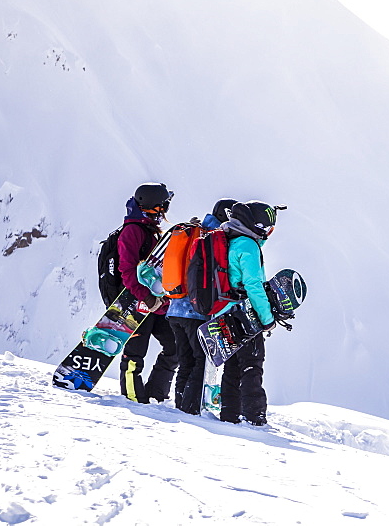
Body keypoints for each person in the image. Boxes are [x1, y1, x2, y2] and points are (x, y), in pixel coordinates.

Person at [166, 198, 238, 415]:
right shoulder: (217, 237)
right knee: (199, 361)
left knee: (185, 361)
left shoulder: (193, 230)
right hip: (197, 311)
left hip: (174, 307)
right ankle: (190, 409)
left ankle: (181, 405)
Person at [217, 200, 278, 426]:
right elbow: (253, 284)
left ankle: (229, 415)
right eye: (268, 227)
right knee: (252, 365)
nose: (268, 233)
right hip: (244, 316)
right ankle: (255, 417)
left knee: (232, 368)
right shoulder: (248, 245)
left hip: (224, 312)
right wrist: (267, 319)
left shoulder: (230, 238)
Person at [118, 182, 178, 404]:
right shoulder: (132, 231)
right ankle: (133, 398)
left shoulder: (148, 229)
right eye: (163, 206)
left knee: (175, 348)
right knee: (135, 353)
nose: (165, 211)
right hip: (136, 304)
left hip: (156, 305)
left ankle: (156, 394)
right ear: (153, 205)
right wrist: (147, 296)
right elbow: (127, 271)